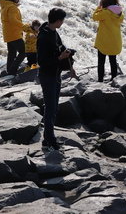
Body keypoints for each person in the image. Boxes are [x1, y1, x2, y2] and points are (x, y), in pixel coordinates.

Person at [37, 8, 77, 151]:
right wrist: (60, 58)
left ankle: (47, 138)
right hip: (48, 76)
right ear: (58, 20)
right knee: (51, 108)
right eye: (62, 20)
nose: (63, 22)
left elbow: (61, 48)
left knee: (53, 108)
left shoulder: (53, 32)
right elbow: (41, 61)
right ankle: (49, 140)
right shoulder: (43, 37)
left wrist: (69, 64)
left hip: (55, 74)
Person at [92, 0, 124, 82]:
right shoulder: (120, 13)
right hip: (115, 42)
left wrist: (98, 7)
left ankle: (100, 80)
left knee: (101, 62)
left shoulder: (105, 13)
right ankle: (114, 80)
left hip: (104, 42)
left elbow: (94, 17)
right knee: (113, 61)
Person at [0, 0, 26, 76]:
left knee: (12, 52)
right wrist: (24, 26)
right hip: (14, 34)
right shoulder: (12, 8)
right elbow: (13, 20)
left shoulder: (5, 6)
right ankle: (13, 70)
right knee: (24, 51)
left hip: (8, 34)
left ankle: (9, 71)